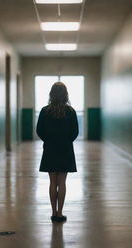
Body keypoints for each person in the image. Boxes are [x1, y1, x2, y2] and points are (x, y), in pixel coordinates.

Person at [36, 81, 79, 222]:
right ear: (65, 95)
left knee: (52, 182)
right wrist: (65, 141)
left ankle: (53, 212)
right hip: (66, 149)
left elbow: (39, 131)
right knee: (62, 182)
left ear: (51, 94)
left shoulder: (44, 111)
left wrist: (49, 140)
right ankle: (60, 213)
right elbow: (75, 132)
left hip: (50, 149)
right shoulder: (71, 112)